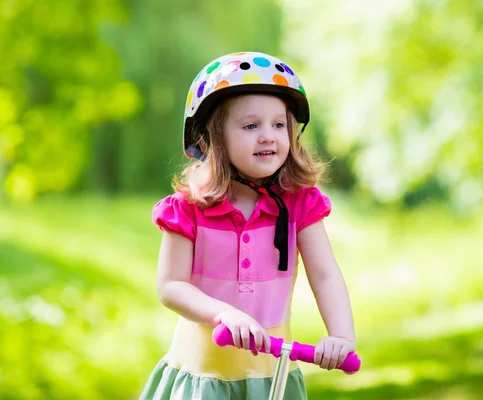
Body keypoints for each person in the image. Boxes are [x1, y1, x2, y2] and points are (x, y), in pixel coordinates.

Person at [139, 51, 356, 399]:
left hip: (272, 379)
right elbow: (171, 285)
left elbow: (325, 273)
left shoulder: (300, 203)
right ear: (214, 138)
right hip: (202, 377)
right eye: (251, 125)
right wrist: (223, 314)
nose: (268, 136)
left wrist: (341, 335)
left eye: (279, 124)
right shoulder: (188, 208)